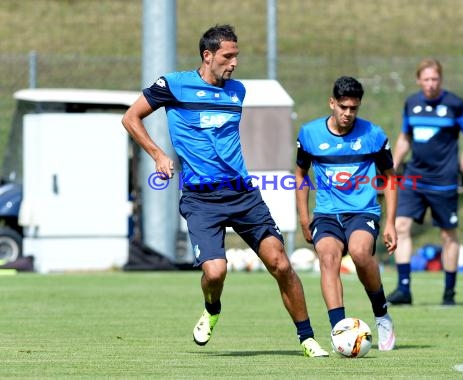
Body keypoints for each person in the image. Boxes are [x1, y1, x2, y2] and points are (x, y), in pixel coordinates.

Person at [122, 24, 329, 357]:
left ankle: (306, 338)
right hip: (201, 198)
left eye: (236, 56)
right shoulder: (173, 85)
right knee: (216, 271)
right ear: (208, 55)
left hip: (243, 193)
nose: (234, 63)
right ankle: (212, 307)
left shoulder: (238, 92)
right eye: (227, 56)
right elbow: (131, 117)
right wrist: (158, 154)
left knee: (281, 263)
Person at [295, 76, 397, 351]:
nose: (348, 113)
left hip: (362, 211)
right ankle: (340, 330)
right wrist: (305, 219)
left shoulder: (373, 135)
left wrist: (390, 223)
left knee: (361, 253)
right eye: (343, 107)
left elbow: (390, 178)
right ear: (332, 103)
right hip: (327, 213)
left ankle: (381, 313)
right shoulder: (310, 134)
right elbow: (301, 174)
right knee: (328, 258)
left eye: (353, 108)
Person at [387, 58, 463, 306]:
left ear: (441, 79)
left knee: (448, 235)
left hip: (444, 182)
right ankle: (403, 289)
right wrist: (393, 165)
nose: (430, 84)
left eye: (435, 79)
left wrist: (462, 163)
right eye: (426, 79)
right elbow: (405, 136)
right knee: (401, 226)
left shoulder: (454, 104)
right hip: (415, 178)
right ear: (419, 80)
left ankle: (449, 294)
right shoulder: (412, 103)